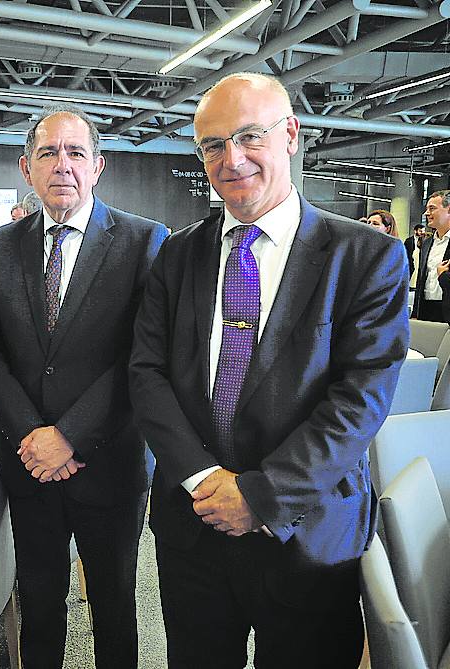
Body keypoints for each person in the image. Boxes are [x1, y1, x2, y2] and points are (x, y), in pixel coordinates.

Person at [129, 73, 409, 669]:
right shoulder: (176, 255)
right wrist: (206, 480)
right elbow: (146, 375)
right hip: (195, 524)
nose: (231, 160)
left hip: (308, 531)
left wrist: (260, 496)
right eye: (212, 145)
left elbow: (360, 399)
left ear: (291, 135)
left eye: (248, 136)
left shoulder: (364, 257)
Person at [0, 105, 168, 669]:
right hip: (28, 465)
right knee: (38, 602)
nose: (62, 165)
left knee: (114, 608)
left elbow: (143, 356)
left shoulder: (143, 242)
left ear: (98, 165)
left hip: (109, 463)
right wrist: (34, 436)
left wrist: (71, 437)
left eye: (76, 152)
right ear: (25, 166)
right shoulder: (2, 247)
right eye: (48, 153)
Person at [412, 190, 450, 325]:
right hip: (426, 310)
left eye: (432, 208)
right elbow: (421, 280)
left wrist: (444, 275)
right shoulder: (427, 244)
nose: (426, 213)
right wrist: (415, 312)